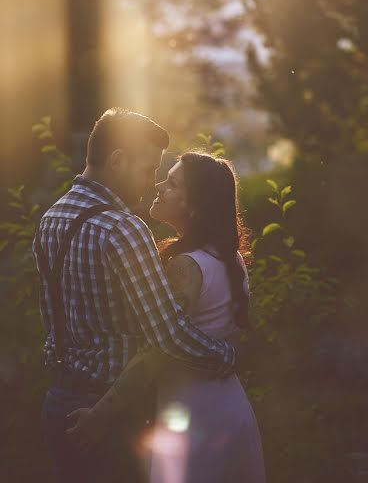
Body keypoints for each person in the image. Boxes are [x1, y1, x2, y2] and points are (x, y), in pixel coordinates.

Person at [33, 108, 236, 483]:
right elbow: (168, 334)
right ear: (116, 160)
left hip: (58, 402)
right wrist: (224, 355)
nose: (150, 182)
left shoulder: (51, 219)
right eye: (147, 170)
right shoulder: (123, 228)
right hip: (111, 414)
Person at [67, 151, 266, 483]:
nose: (159, 185)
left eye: (172, 183)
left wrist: (99, 415)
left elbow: (158, 350)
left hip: (195, 417)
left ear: (195, 206)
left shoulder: (186, 267)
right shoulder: (230, 257)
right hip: (230, 407)